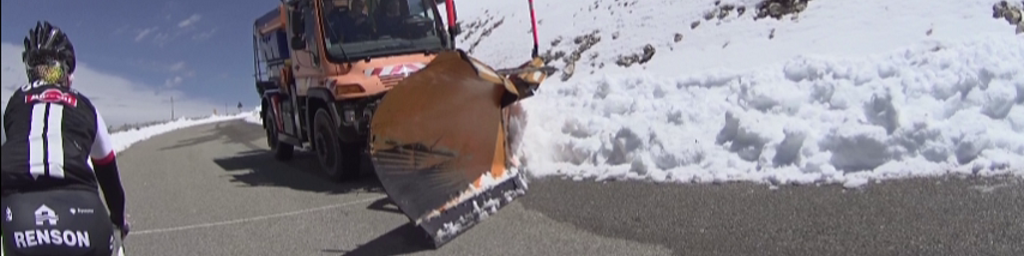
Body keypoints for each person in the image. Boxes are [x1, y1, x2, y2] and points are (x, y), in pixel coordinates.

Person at [1, 21, 129, 256]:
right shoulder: (86, 106)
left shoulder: (14, 104)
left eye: (49, 70)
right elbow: (110, 179)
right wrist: (119, 222)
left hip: (19, 218)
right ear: (68, 74)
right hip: (84, 217)